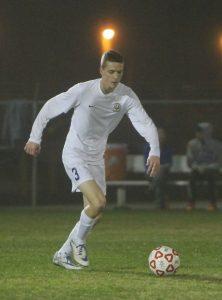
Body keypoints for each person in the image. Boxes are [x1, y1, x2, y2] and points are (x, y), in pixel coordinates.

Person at [24, 50, 160, 270]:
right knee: (98, 203)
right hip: (74, 154)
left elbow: (145, 123)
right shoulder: (83, 90)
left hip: (96, 158)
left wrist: (155, 150)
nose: (115, 77)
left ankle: (62, 253)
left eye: (120, 72)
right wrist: (34, 137)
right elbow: (50, 107)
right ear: (101, 70)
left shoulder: (126, 96)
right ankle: (79, 241)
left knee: (95, 214)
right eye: (111, 71)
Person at [186, 122, 222, 211]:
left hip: (211, 169)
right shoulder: (191, 144)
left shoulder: (217, 145)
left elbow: (219, 162)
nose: (199, 134)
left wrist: (207, 167)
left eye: (202, 132)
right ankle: (191, 203)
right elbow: (190, 161)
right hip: (197, 169)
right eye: (198, 132)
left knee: (212, 178)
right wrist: (198, 167)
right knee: (192, 178)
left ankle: (212, 203)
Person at [144, 128, 172, 209]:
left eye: (162, 135)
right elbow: (147, 163)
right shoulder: (149, 147)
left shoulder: (167, 148)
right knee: (160, 179)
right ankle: (159, 205)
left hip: (164, 172)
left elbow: (169, 163)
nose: (161, 137)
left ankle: (152, 187)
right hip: (150, 172)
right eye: (159, 135)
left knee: (161, 172)